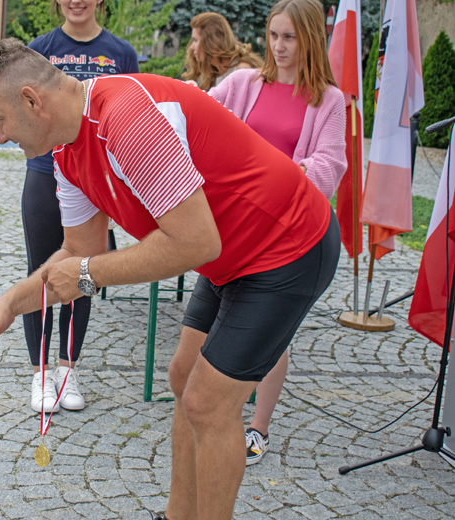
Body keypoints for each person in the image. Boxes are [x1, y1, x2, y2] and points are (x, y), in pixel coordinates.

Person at [0, 39, 341, 520]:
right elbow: (80, 249)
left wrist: (86, 275)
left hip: (290, 244)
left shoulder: (126, 119)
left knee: (207, 401)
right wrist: (9, 304)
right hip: (232, 253)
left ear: (32, 101)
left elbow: (192, 243)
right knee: (183, 378)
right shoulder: (66, 151)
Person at [209, 0, 347, 466]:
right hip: (233, 226)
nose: (279, 46)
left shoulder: (328, 99)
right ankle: (215, 412)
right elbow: (202, 118)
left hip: (286, 235)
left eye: (289, 37)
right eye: (273, 35)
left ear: (309, 38)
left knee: (273, 334)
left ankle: (258, 427)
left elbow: (330, 168)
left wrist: (271, 172)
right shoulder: (243, 82)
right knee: (218, 321)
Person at [21, 0, 139, 414]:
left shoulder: (120, 53)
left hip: (93, 180)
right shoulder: (39, 48)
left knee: (84, 273)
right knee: (43, 272)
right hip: (44, 173)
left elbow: (132, 116)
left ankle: (69, 370)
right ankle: (41, 373)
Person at [182, 12, 262, 90]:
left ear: (210, 42)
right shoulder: (213, 70)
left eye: (195, 40)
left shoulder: (242, 70)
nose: (192, 47)